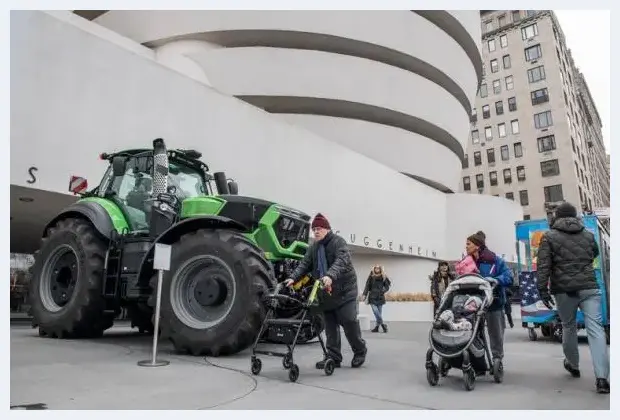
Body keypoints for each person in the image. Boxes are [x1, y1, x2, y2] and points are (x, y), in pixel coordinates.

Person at [536, 201, 610, 394]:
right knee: (596, 330)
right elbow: (593, 252)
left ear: (557, 217)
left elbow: (543, 266)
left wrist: (543, 290)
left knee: (568, 326)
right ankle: (602, 378)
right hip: (589, 286)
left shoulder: (549, 236)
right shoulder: (587, 234)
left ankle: (573, 364)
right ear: (575, 216)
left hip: (563, 290)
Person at [285, 213, 367, 368]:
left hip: (345, 291)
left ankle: (360, 350)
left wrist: (330, 275)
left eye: (319, 228)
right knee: (330, 326)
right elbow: (304, 264)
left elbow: (341, 261)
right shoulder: (313, 248)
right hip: (326, 293)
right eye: (314, 229)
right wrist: (293, 278)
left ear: (327, 229)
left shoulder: (338, 242)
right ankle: (333, 357)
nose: (316, 231)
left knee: (349, 321)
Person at [465, 231, 513, 368]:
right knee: (472, 333)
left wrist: (496, 280)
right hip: (473, 304)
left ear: (477, 245)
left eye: (468, 244)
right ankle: (478, 361)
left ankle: (497, 359)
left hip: (494, 302)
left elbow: (509, 277)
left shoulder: (495, 261)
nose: (466, 247)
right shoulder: (467, 262)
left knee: (495, 333)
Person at [361, 265, 392, 333]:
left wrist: (382, 291)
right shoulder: (371, 276)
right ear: (374, 269)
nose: (377, 269)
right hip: (372, 297)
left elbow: (387, 286)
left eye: (378, 268)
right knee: (375, 311)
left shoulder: (384, 276)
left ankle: (377, 327)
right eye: (376, 268)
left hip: (380, 297)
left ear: (380, 269)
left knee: (379, 313)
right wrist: (364, 294)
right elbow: (367, 286)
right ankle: (383, 325)